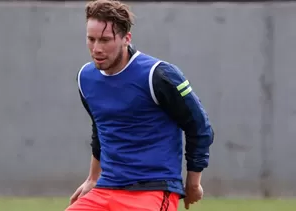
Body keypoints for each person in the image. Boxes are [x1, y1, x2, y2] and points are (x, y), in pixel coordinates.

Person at [66, 0, 214, 210]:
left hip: (152, 189)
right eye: (91, 39)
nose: (97, 48)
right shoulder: (86, 78)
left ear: (126, 38)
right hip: (106, 188)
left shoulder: (159, 75)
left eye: (105, 40)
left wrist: (193, 182)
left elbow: (199, 127)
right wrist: (92, 179)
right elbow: (101, 127)